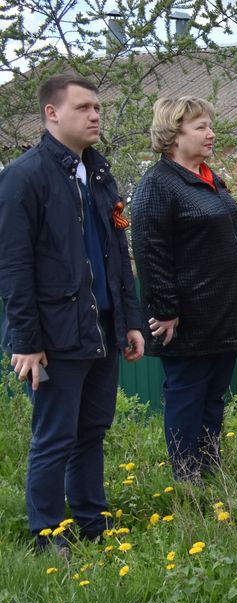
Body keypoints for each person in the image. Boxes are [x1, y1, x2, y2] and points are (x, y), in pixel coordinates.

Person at [0, 75, 144, 551]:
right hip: (55, 333)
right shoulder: (25, 177)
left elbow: (118, 252)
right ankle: (47, 534)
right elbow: (14, 266)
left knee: (93, 430)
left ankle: (91, 521)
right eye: (83, 107)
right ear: (51, 113)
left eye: (98, 107)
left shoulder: (100, 175)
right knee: (55, 435)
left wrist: (129, 322)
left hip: (101, 326)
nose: (95, 115)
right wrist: (26, 340)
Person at [130, 96, 237, 482]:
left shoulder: (209, 179)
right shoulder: (158, 185)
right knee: (187, 396)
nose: (211, 133)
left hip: (222, 312)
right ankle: (186, 476)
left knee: (214, 396)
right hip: (187, 319)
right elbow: (151, 253)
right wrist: (166, 310)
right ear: (173, 134)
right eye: (200, 127)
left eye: (210, 125)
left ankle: (209, 468)